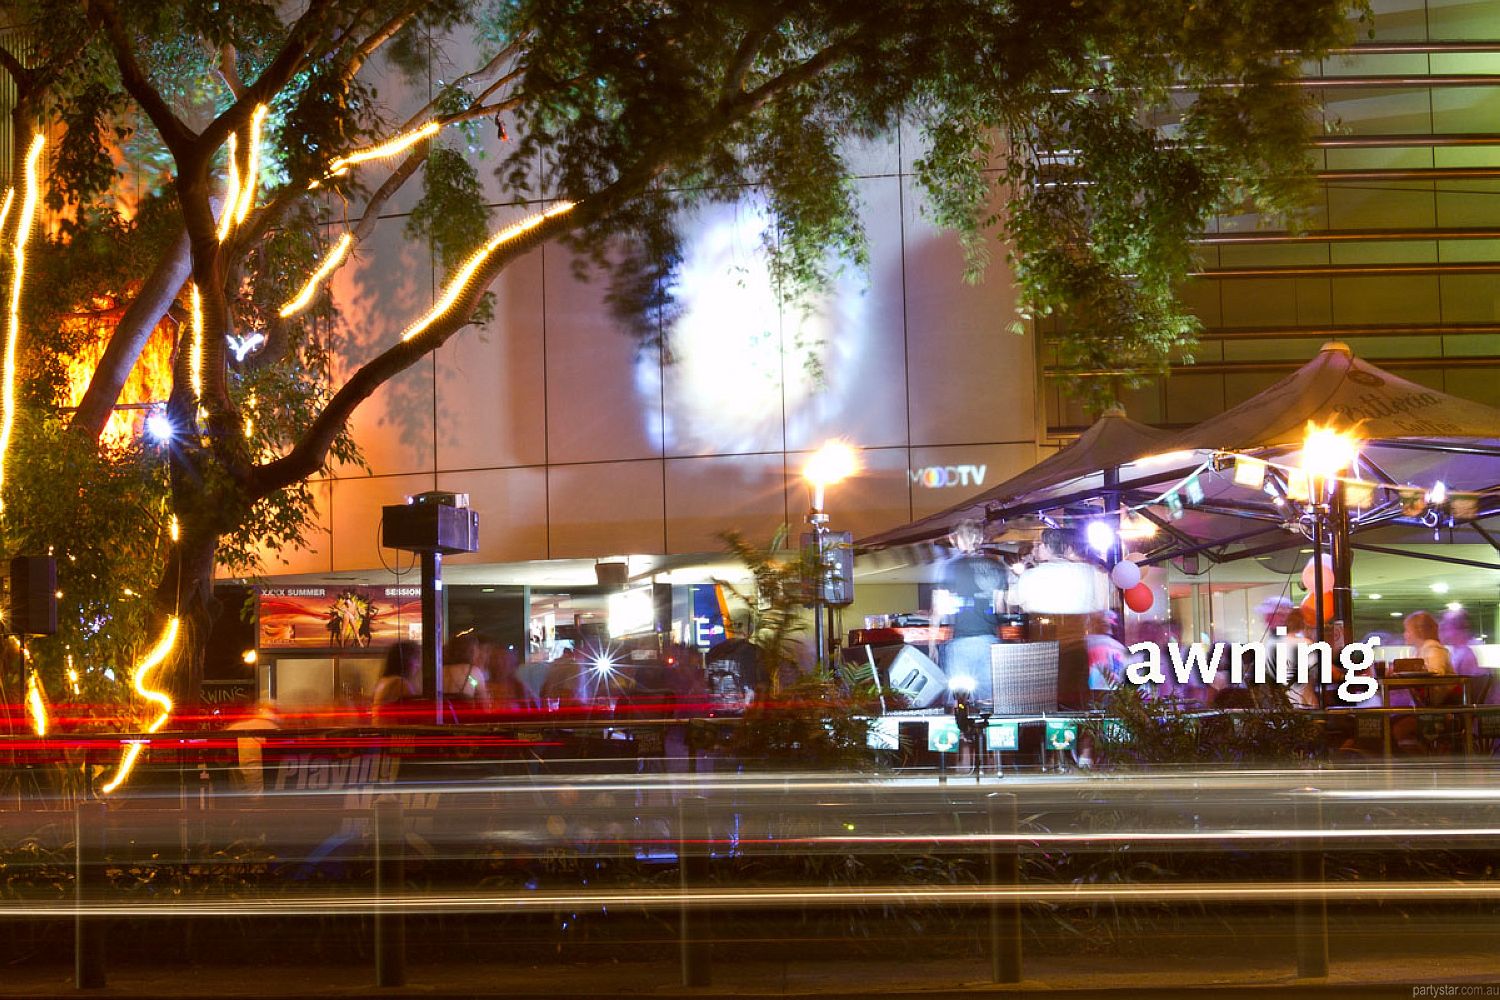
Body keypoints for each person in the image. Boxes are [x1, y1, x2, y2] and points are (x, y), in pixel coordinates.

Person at [935, 521, 1004, 708]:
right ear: (981, 538)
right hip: (990, 642)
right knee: (990, 705)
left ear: (954, 539)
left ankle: (963, 737)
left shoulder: (950, 567)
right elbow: (1000, 607)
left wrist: (933, 642)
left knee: (958, 705)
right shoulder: (996, 565)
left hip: (961, 642)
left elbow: (940, 608)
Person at [371, 640, 420, 724]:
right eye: (415, 658)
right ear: (405, 660)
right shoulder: (398, 683)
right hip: (390, 734)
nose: (417, 664)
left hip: (382, 732)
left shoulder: (384, 681)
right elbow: (417, 713)